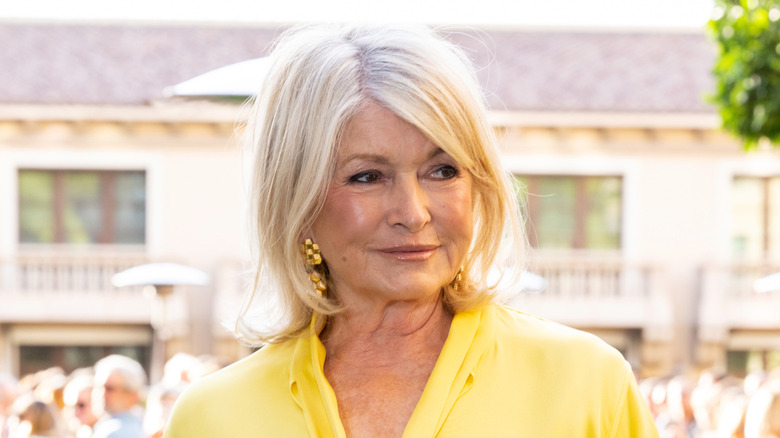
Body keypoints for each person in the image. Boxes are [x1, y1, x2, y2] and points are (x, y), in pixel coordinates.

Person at [165, 23, 659, 437]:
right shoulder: (212, 417)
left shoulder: (587, 384)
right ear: (297, 201)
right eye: (367, 177)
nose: (414, 212)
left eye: (443, 171)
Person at [91, 355, 147, 438]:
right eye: (99, 387)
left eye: (110, 388)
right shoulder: (139, 427)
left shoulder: (114, 432)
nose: (102, 394)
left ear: (132, 395)